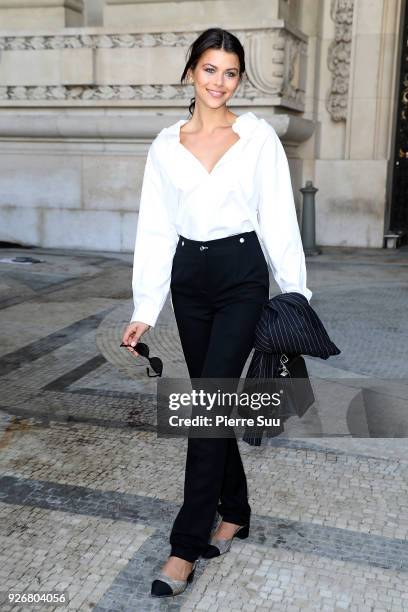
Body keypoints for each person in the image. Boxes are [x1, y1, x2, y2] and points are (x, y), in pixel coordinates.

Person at [121, 27, 312, 597]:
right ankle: (236, 511)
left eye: (230, 72)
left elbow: (279, 216)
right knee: (215, 397)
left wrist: (296, 293)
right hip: (189, 279)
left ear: (238, 79)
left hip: (242, 275)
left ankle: (185, 547)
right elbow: (154, 228)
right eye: (209, 69)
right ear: (190, 72)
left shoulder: (256, 139)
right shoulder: (164, 145)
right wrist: (145, 307)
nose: (219, 82)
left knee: (205, 407)